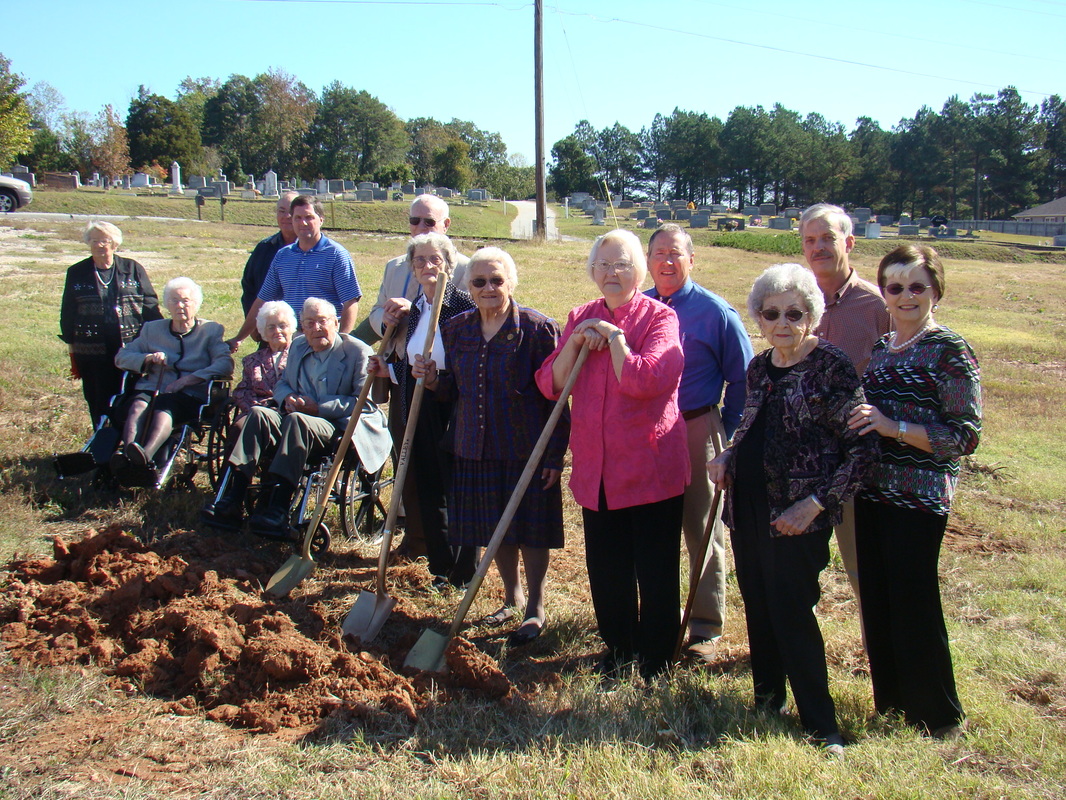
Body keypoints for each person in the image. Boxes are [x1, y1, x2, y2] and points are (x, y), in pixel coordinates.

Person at [707, 263, 877, 757]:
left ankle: (823, 725)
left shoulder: (832, 366)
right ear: (759, 318)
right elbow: (751, 426)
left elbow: (863, 452)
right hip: (750, 506)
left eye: (794, 313)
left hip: (798, 513)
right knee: (758, 602)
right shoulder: (760, 367)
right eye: (771, 313)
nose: (783, 322)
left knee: (790, 610)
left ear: (812, 315)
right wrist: (728, 456)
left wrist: (816, 502)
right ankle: (767, 699)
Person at [534, 229, 688, 680]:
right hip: (596, 471)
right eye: (603, 265)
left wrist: (616, 339)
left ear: (639, 269)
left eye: (621, 264)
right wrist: (580, 342)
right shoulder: (580, 316)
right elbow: (551, 383)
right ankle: (619, 648)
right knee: (607, 569)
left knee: (655, 569)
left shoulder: (660, 318)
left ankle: (657, 658)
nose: (612, 273)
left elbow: (646, 380)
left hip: (650, 468)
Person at [847, 244, 981, 739]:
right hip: (873, 492)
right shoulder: (883, 348)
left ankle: (940, 716)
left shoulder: (950, 350)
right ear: (883, 293)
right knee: (878, 599)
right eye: (895, 286)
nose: (905, 296)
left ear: (936, 291)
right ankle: (894, 705)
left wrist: (892, 426)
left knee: (914, 600)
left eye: (916, 286)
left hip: (920, 499)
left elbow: (963, 435)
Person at [418, 247, 568, 645]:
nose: (488, 288)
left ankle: (535, 605)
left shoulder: (538, 330)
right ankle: (510, 596)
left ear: (511, 283)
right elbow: (456, 391)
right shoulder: (456, 330)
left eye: (496, 280)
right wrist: (433, 380)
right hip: (475, 444)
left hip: (526, 447)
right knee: (495, 528)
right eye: (479, 281)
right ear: (468, 286)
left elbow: (558, 396)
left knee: (531, 529)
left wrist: (554, 454)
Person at [645, 224, 753, 663]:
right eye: (658, 253)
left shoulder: (715, 312)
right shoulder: (639, 306)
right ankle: (657, 618)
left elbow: (744, 378)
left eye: (676, 253)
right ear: (647, 261)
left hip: (695, 428)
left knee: (700, 529)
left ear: (692, 259)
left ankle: (704, 627)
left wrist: (722, 431)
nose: (667, 262)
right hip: (646, 430)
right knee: (652, 528)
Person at [202, 297, 390, 534]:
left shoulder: (357, 352)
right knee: (259, 414)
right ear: (302, 327)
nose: (316, 328)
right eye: (309, 323)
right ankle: (233, 497)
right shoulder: (299, 346)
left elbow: (363, 404)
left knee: (296, 420)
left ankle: (278, 507)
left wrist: (318, 407)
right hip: (298, 417)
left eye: (322, 321)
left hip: (337, 425)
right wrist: (287, 397)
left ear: (335, 322)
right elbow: (282, 383)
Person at [367, 233, 477, 587]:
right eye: (420, 261)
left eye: (435, 260)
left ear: (449, 263)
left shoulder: (465, 306)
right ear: (412, 269)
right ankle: (440, 566)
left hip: (455, 403)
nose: (427, 266)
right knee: (427, 484)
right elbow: (409, 363)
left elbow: (474, 363)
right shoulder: (415, 312)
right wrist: (388, 369)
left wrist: (439, 377)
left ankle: (464, 570)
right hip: (420, 402)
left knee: (456, 486)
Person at [800, 202, 891, 625]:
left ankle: (884, 663)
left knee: (864, 567)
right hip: (802, 455)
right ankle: (797, 643)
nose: (818, 248)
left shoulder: (878, 307)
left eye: (828, 239)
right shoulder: (795, 300)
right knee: (798, 566)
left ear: (850, 243)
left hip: (855, 458)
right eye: (810, 240)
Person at [111, 277, 233, 473]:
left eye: (186, 300)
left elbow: (225, 363)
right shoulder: (152, 329)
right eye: (175, 301)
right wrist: (147, 358)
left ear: (196, 304)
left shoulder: (210, 331)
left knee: (164, 409)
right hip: (153, 388)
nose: (180, 306)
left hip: (189, 395)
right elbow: (121, 357)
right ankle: (128, 454)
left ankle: (145, 457)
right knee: (137, 406)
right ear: (167, 304)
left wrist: (191, 378)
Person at [59, 221, 162, 428]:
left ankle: (130, 438)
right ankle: (101, 441)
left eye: (104, 241)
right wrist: (71, 345)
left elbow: (149, 305)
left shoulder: (132, 268)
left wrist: (159, 336)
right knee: (98, 396)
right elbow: (68, 310)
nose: (99, 246)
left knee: (131, 394)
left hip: (131, 345)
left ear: (114, 244)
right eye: (94, 241)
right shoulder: (77, 272)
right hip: (91, 348)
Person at [227, 195, 362, 351]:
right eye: (297, 218)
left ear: (321, 220)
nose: (303, 223)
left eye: (309, 217)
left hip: (323, 336)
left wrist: (341, 342)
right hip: (291, 338)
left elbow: (350, 302)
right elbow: (262, 300)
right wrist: (239, 338)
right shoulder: (283, 255)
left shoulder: (336, 254)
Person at [355, 194, 469, 346]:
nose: (421, 227)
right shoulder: (394, 267)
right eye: (415, 221)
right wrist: (385, 319)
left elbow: (468, 320)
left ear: (446, 225)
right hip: (396, 359)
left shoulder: (468, 269)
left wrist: (416, 312)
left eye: (429, 221)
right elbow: (377, 310)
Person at [230, 301, 297, 416]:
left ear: (291, 328)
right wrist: (258, 407)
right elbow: (242, 391)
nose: (277, 331)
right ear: (263, 331)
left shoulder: (300, 356)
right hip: (256, 412)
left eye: (282, 326)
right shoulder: (252, 361)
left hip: (288, 411)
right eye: (271, 327)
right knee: (239, 426)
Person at [240, 191, 298, 319]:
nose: (286, 216)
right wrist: (253, 324)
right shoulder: (264, 248)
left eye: (291, 212)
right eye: (281, 211)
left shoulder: (312, 249)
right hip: (270, 328)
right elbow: (249, 286)